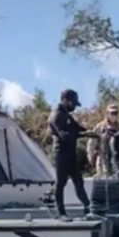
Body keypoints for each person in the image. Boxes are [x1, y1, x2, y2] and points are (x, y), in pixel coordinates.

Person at [48, 89, 92, 221]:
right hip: (61, 154)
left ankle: (88, 207)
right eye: (73, 103)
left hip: (71, 153)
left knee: (78, 181)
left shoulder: (66, 114)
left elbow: (76, 127)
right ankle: (61, 212)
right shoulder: (56, 115)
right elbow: (65, 135)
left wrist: (91, 131)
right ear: (65, 100)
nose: (74, 107)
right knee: (61, 182)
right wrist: (84, 134)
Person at [90, 103, 119, 178]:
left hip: (116, 158)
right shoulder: (100, 126)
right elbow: (91, 143)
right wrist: (91, 157)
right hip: (102, 158)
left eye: (116, 113)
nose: (114, 115)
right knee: (103, 177)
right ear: (107, 113)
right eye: (112, 113)